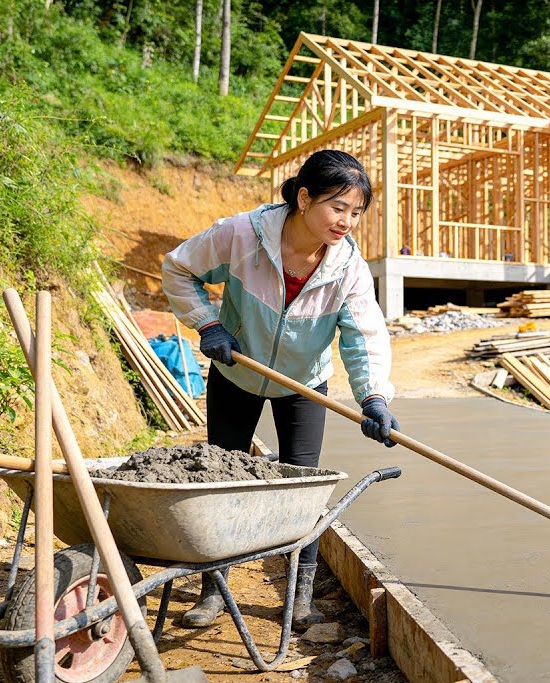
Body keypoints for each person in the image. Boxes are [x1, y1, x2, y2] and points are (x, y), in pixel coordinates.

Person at [162, 149, 400, 630]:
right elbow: (178, 267)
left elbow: (365, 336)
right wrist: (207, 324)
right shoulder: (242, 235)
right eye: (338, 207)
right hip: (236, 374)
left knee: (305, 492)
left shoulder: (347, 269)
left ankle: (300, 596)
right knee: (222, 483)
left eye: (356, 212)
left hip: (304, 386)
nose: (347, 222)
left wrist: (373, 397)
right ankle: (215, 589)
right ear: (305, 197)